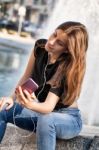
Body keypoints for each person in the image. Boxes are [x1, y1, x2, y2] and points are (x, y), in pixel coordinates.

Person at [0, 21, 88, 150]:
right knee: (3, 108)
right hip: (42, 115)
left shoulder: (66, 67)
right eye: (54, 35)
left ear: (68, 50)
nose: (51, 42)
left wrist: (29, 104)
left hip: (68, 119)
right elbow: (26, 76)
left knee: (47, 120)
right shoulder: (40, 47)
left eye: (60, 43)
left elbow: (47, 107)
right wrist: (11, 98)